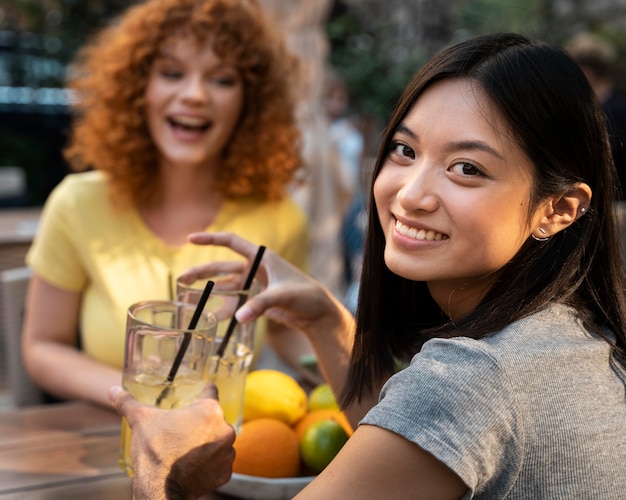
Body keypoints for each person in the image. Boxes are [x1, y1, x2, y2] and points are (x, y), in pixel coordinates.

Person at [110, 32, 626, 499]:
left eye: (466, 168)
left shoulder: (473, 379)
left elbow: (444, 412)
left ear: (557, 209)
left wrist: (161, 474)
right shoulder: (582, 337)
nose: (410, 193)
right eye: (405, 150)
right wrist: (323, 319)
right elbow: (412, 444)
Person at [22, 0, 317, 410]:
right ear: (138, 89)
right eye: (172, 73)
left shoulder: (280, 218)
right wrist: (137, 399)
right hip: (104, 441)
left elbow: (286, 330)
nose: (194, 95)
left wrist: (353, 374)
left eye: (222, 79)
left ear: (250, 103)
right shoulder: (78, 203)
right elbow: (42, 346)